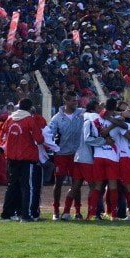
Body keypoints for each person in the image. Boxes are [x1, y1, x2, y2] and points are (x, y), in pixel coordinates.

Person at [0, 98, 44, 222]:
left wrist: (1, 149)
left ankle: (6, 214)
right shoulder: (29, 120)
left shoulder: (10, 119)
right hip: (26, 158)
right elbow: (39, 139)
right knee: (27, 187)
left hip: (11, 158)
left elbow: (3, 137)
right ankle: (26, 215)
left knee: (12, 186)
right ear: (30, 108)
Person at [63, 100, 105, 220]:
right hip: (87, 159)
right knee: (94, 186)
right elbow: (88, 139)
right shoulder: (90, 120)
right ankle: (91, 214)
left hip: (78, 157)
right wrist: (103, 141)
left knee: (75, 186)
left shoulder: (81, 118)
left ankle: (66, 212)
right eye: (99, 106)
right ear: (95, 107)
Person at [49, 91, 84, 221]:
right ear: (66, 101)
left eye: (76, 100)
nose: (76, 103)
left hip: (76, 154)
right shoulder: (57, 118)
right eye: (73, 101)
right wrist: (53, 147)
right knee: (58, 182)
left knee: (77, 183)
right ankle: (56, 210)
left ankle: (78, 211)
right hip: (61, 154)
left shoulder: (81, 114)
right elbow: (49, 134)